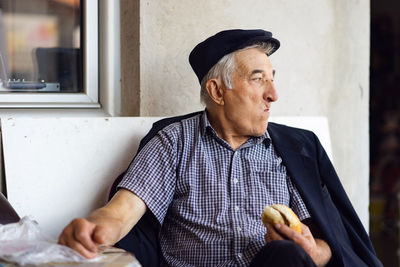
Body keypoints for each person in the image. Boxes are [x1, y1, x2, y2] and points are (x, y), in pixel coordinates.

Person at [58, 29, 382, 267]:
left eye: (273, 79)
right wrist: (92, 229)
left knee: (287, 254)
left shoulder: (290, 151)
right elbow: (123, 211)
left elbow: (328, 243)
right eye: (258, 80)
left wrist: (313, 252)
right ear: (217, 90)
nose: (273, 94)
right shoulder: (174, 142)